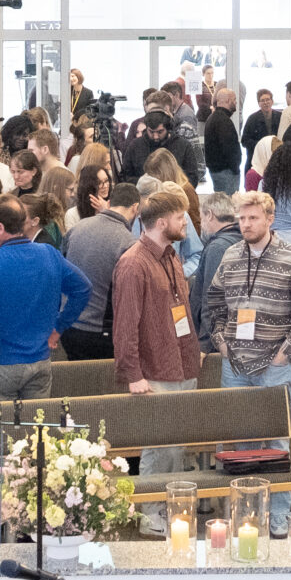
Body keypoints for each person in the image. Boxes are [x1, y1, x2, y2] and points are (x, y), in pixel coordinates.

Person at [200, 190, 291, 535]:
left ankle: (279, 515)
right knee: (241, 444)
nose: (245, 224)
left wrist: (286, 353)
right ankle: (247, 514)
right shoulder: (230, 256)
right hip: (235, 367)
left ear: (270, 219)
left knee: (276, 445)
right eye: (241, 218)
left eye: (253, 218)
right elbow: (213, 304)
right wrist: (222, 343)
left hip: (275, 367)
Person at [112, 186, 202, 502]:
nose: (186, 223)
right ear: (162, 222)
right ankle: (151, 515)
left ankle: (173, 511)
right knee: (159, 449)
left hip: (181, 364)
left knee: (176, 447)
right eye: (180, 217)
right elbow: (125, 327)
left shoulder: (171, 256)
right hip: (154, 372)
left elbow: (181, 310)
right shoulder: (133, 264)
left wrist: (193, 350)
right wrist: (133, 375)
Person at [0, 197, 91, 404]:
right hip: (40, 361)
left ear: (1, 227)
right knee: (36, 422)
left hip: (1, 362)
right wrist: (59, 327)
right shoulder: (49, 253)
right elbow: (83, 288)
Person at [61, 178, 137, 362]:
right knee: (101, 379)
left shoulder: (77, 228)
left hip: (68, 325)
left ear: (109, 203)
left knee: (75, 377)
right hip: (100, 331)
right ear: (135, 208)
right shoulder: (128, 243)